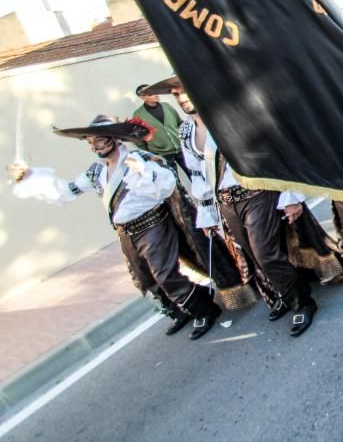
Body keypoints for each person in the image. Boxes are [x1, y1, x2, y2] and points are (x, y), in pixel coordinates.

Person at [145, 76, 343, 338]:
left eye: (186, 91)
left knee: (266, 253)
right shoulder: (186, 131)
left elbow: (274, 153)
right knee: (255, 256)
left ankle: (301, 302)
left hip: (257, 194)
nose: (182, 98)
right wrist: (209, 215)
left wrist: (290, 197)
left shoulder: (229, 116)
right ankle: (287, 290)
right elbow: (198, 175)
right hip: (226, 203)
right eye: (176, 95)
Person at [9, 116, 221, 339]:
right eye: (90, 142)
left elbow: (166, 184)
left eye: (98, 141)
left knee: (164, 273)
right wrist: (29, 175)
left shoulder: (139, 159)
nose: (94, 147)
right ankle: (179, 311)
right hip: (126, 232)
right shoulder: (96, 171)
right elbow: (69, 190)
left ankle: (204, 309)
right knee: (146, 277)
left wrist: (143, 172)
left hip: (152, 224)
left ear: (115, 139)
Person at [132, 84, 186, 178]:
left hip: (181, 148)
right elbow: (138, 138)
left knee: (194, 174)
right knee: (172, 181)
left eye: (155, 91)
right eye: (151, 93)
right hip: (162, 154)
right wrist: (151, 151)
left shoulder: (167, 106)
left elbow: (180, 123)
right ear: (143, 97)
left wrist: (185, 140)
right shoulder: (138, 115)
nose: (156, 94)